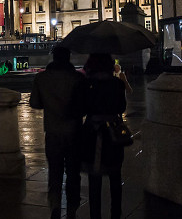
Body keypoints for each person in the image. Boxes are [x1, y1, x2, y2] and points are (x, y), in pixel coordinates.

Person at [30, 46, 87, 219]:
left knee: (54, 172)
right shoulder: (78, 78)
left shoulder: (41, 78)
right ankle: (72, 208)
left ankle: (54, 205)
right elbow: (84, 107)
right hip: (74, 132)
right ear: (68, 57)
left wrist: (51, 103)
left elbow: (35, 103)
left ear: (53, 58)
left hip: (53, 131)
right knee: (73, 173)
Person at [81, 53, 127, 219]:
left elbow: (83, 108)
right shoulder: (117, 84)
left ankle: (95, 215)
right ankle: (116, 213)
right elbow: (121, 107)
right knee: (115, 175)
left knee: (95, 178)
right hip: (113, 132)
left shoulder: (87, 84)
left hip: (92, 133)